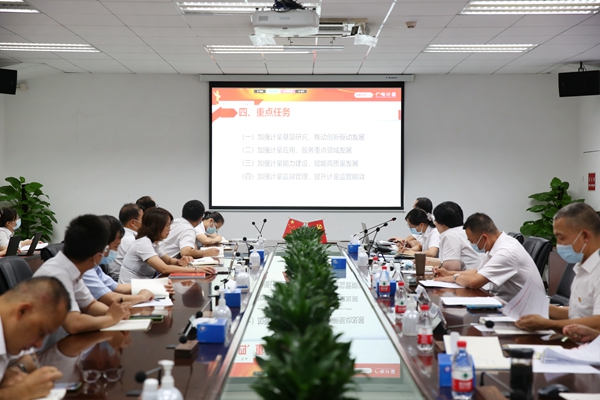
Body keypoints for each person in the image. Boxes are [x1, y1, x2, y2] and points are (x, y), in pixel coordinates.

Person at [33, 215, 132, 334]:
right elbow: (74, 324)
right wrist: (111, 318)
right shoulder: (57, 275)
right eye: (105, 251)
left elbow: (89, 305)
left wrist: (116, 312)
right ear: (97, 256)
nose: (106, 254)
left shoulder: (72, 269)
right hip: (40, 342)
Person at [516, 202, 600, 332]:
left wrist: (549, 324)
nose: (558, 244)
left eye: (561, 237)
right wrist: (540, 308)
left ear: (585, 236)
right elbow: (578, 313)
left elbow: (597, 322)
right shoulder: (581, 266)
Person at [435, 213, 544, 302]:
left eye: (472, 241)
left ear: (484, 238)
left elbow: (474, 282)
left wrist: (454, 278)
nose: (474, 245)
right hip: (509, 303)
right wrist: (448, 273)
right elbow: (478, 271)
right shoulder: (495, 245)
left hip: (526, 312)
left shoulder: (506, 252)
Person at [0, 277, 70, 400]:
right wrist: (23, 390)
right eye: (41, 332)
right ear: (23, 311)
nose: (39, 345)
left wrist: (14, 370)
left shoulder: (11, 332)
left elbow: (30, 359)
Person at [82, 215, 166, 306]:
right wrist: (142, 297)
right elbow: (110, 298)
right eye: (116, 246)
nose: (116, 251)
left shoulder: (94, 267)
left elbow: (118, 287)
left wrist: (156, 286)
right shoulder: (85, 270)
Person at [119, 207, 213, 284]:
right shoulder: (143, 243)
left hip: (144, 284)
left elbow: (168, 260)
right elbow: (164, 268)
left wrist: (179, 261)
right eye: (167, 225)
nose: (169, 229)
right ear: (156, 226)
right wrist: (196, 270)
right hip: (131, 289)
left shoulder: (153, 243)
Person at [426, 201, 481, 271]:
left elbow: (452, 268)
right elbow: (450, 260)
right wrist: (428, 261)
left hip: (467, 275)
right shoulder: (463, 230)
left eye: (435, 220)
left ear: (442, 224)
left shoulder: (449, 235)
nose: (435, 223)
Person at [107, 204, 143, 281]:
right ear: (133, 222)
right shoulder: (131, 240)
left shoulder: (121, 235)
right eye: (142, 219)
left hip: (116, 277)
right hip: (122, 279)